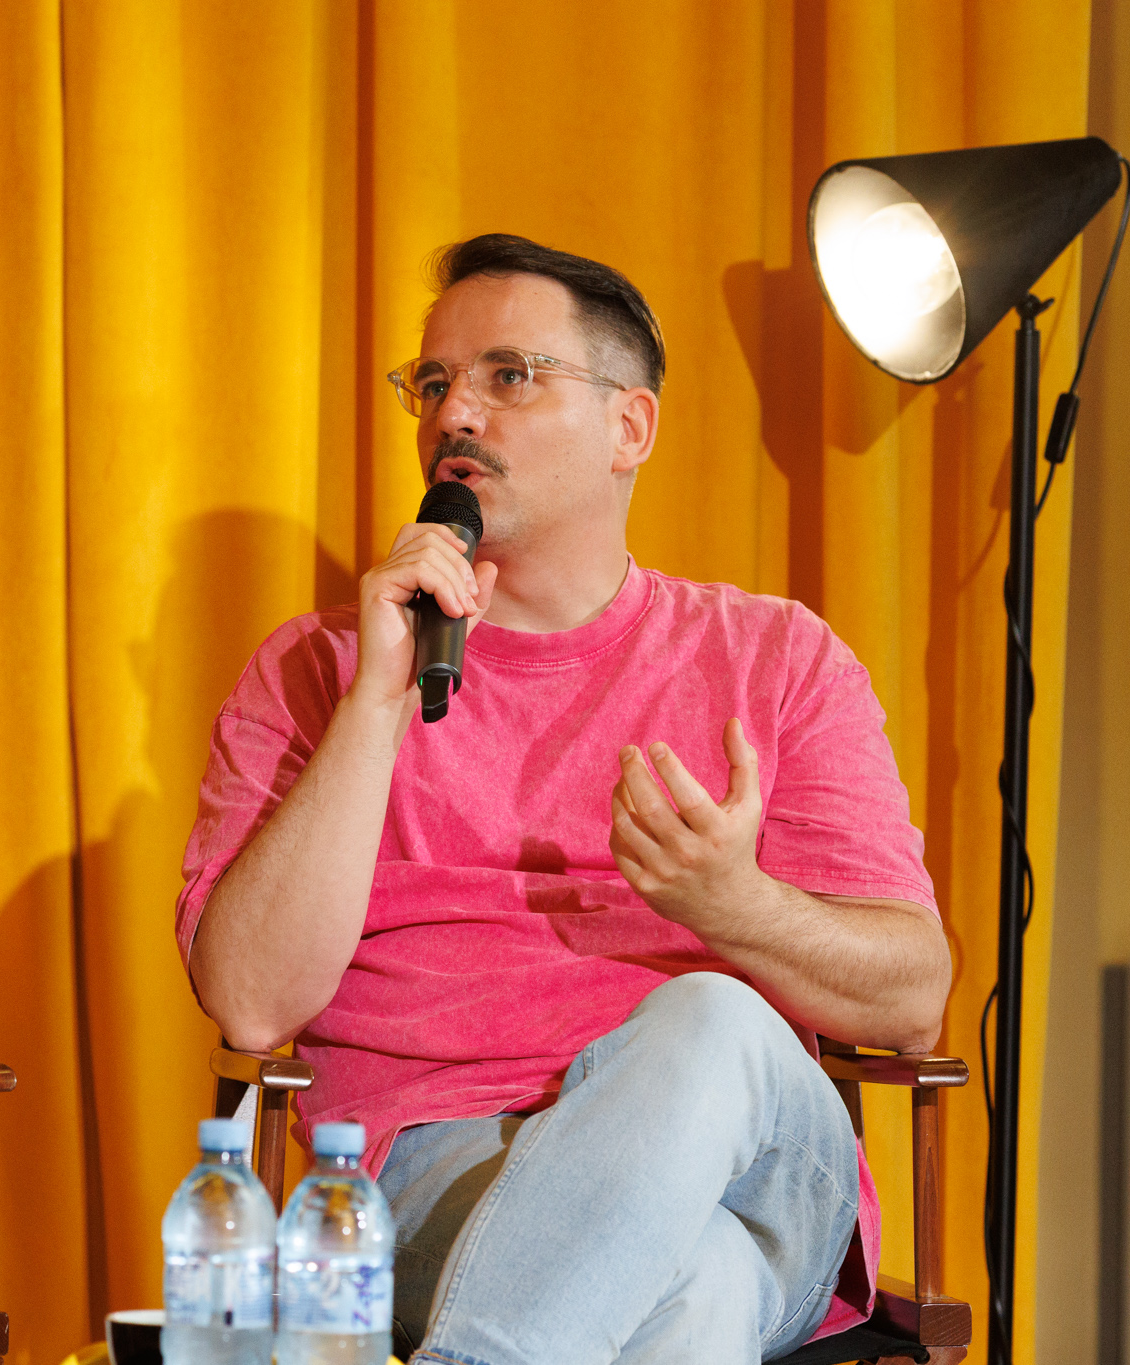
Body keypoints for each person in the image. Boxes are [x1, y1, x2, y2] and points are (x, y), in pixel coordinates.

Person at [176, 234, 951, 1363]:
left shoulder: (776, 659)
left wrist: (731, 906)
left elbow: (912, 996)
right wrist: (376, 706)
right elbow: (250, 1003)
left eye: (509, 375)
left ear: (628, 428)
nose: (454, 414)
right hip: (443, 1166)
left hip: (757, 1167)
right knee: (691, 1291)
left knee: (711, 1016)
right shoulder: (315, 672)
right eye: (432, 383)